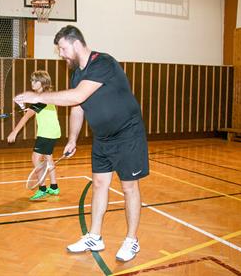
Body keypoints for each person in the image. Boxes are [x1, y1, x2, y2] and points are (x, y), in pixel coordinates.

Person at [14, 25, 149, 262]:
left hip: (128, 135)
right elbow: (77, 107)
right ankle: (95, 236)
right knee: (99, 184)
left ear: (76, 44)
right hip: (103, 138)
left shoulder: (103, 63)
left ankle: (132, 240)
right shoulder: (77, 73)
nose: (62, 54)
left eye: (63, 49)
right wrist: (73, 139)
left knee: (129, 187)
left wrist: (36, 97)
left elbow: (77, 96)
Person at [8, 70, 62, 201]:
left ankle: (42, 189)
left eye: (35, 80)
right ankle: (54, 187)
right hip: (52, 132)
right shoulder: (45, 96)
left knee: (36, 158)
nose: (32, 83)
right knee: (48, 158)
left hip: (47, 133)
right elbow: (34, 111)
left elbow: (27, 117)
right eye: (31, 80)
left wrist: (14, 131)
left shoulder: (42, 99)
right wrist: (25, 107)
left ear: (42, 82)